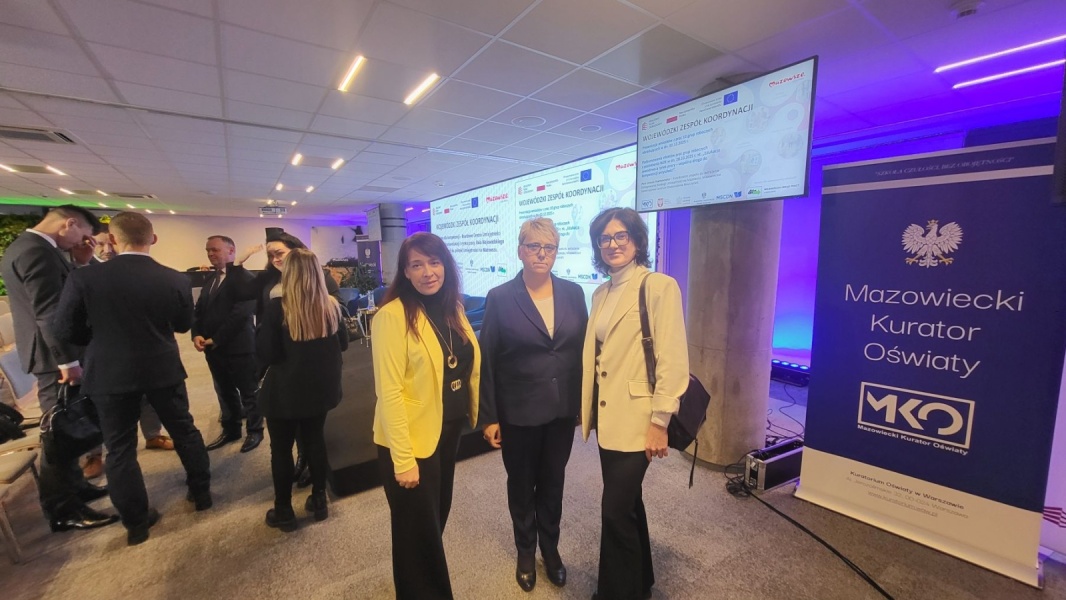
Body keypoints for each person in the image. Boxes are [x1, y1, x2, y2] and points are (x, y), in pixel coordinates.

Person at [53, 211, 212, 546]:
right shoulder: (174, 279)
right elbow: (183, 325)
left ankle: (136, 524)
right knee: (184, 430)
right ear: (153, 239)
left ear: (112, 239)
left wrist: (101, 337)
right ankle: (202, 494)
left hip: (110, 373)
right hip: (162, 368)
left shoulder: (84, 278)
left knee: (120, 448)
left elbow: (66, 330)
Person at [581, 207, 688, 600]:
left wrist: (660, 421)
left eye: (620, 236)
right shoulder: (601, 292)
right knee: (627, 504)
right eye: (604, 238)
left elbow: (673, 358)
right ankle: (640, 582)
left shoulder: (658, 286)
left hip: (641, 419)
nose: (612, 244)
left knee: (614, 510)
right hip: (609, 419)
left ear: (637, 240)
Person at [479, 218, 587, 592]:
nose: (542, 254)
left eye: (549, 247)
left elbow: (581, 352)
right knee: (522, 485)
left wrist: (585, 404)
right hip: (518, 412)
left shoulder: (573, 293)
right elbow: (488, 359)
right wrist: (489, 416)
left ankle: (550, 549)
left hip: (561, 412)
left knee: (553, 482)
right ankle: (526, 551)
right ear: (520, 251)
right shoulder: (500, 297)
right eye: (534, 246)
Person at [372, 232, 480, 600]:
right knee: (417, 536)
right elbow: (389, 393)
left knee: (432, 524)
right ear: (405, 271)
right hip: (410, 442)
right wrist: (403, 459)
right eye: (416, 265)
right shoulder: (392, 316)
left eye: (434, 262)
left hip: (446, 432)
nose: (428, 272)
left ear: (445, 265)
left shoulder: (454, 308)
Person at [0, 205, 118, 532]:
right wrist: (68, 361)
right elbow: (48, 312)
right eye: (83, 235)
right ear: (70, 223)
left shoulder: (30, 247)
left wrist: (79, 263)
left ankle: (76, 487)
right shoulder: (36, 252)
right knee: (59, 434)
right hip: (55, 361)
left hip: (52, 356)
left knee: (67, 427)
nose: (81, 242)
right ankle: (63, 509)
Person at [256, 248, 348, 532]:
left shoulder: (277, 308)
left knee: (281, 450)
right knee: (315, 441)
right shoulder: (332, 306)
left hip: (284, 393)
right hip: (320, 391)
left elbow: (267, 354)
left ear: (289, 274)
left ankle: (284, 511)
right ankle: (319, 501)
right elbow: (343, 344)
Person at [93, 225, 175, 452]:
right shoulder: (83, 275)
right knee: (112, 415)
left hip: (148, 351)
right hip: (107, 356)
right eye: (100, 244)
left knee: (149, 398)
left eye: (109, 243)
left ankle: (153, 434)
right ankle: (94, 454)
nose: (107, 249)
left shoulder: (144, 272)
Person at [193, 235, 262, 453]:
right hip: (213, 350)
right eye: (208, 250)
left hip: (239, 348)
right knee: (225, 391)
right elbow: (199, 310)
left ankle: (255, 431)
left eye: (215, 250)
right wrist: (196, 334)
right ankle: (231, 430)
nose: (210, 254)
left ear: (231, 251)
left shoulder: (245, 279)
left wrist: (217, 338)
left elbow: (241, 314)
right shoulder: (211, 279)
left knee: (249, 392)